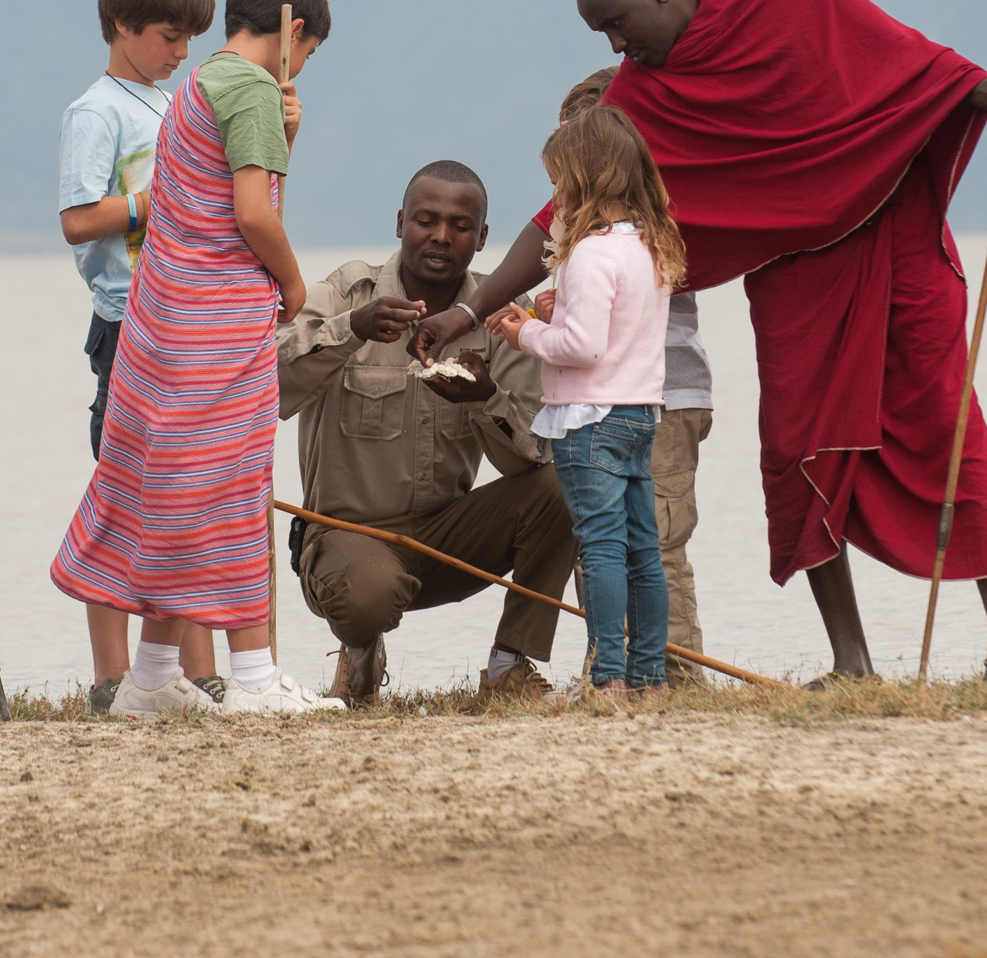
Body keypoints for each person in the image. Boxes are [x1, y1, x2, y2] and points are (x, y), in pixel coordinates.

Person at [421, 0, 987, 684]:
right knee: (796, 449)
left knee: (945, 414)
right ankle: (852, 661)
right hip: (794, 270)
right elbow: (558, 215)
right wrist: (471, 310)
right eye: (603, 38)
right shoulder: (638, 96)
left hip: (891, 222)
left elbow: (900, 61)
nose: (618, 47)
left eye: (619, 25)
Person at [50, 0, 345, 716]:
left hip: (164, 321)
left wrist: (285, 137)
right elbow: (252, 215)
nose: (302, 67)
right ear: (294, 33)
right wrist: (293, 285)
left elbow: (217, 199)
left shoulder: (199, 85)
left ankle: (151, 677)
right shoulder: (248, 89)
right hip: (217, 328)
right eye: (308, 53)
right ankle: (251, 676)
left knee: (175, 492)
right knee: (230, 488)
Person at [277, 161, 575, 706]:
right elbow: (272, 386)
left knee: (565, 484)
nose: (441, 236)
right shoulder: (348, 291)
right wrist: (351, 331)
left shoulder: (501, 320)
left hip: (447, 541)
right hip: (346, 539)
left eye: (461, 226)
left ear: (483, 238)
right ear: (399, 223)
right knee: (368, 594)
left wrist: (485, 400)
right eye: (426, 221)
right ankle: (361, 651)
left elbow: (529, 458)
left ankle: (510, 665)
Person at [56, 0, 222, 716]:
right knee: (124, 493)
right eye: (168, 37)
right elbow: (78, 219)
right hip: (127, 325)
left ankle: (196, 668)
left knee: (188, 493)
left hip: (182, 319)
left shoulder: (174, 102)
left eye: (191, 38)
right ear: (122, 25)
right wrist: (162, 203)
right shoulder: (97, 112)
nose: (182, 52)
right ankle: (110, 674)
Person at [486, 107, 680, 696]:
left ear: (583, 180)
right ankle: (648, 676)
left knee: (600, 549)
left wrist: (524, 333)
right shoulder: (648, 247)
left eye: (558, 182)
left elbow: (584, 347)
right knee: (643, 551)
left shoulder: (590, 253)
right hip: (638, 415)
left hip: (589, 421)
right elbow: (621, 329)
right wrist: (556, 308)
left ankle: (606, 679)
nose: (556, 197)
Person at [557, 69, 715, 682]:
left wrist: (526, 329)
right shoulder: (644, 228)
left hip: (654, 397)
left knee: (654, 546)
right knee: (616, 543)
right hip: (636, 399)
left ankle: (672, 677)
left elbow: (591, 336)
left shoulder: (623, 232)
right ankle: (621, 668)